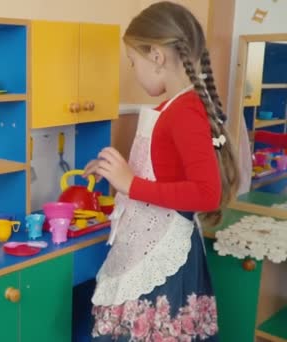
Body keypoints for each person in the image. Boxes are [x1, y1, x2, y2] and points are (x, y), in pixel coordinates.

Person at [83, 2, 240, 341]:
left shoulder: (185, 109)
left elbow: (205, 192)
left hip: (164, 259)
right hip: (146, 245)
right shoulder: (170, 108)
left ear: (155, 55)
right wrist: (115, 174)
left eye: (132, 61)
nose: (132, 70)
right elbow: (161, 174)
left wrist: (130, 183)